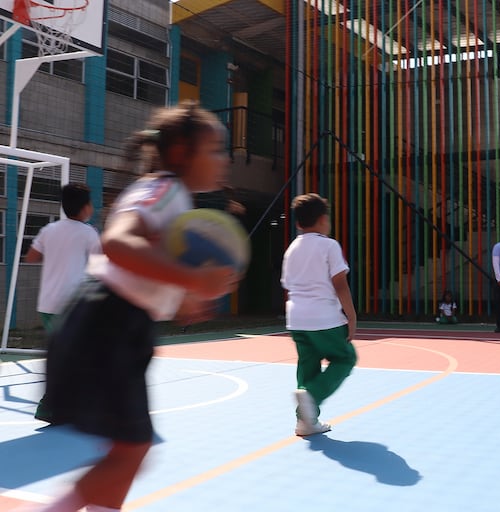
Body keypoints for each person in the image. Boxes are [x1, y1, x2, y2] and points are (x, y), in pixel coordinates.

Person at [39, 102, 240, 512]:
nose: (224, 160)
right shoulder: (163, 191)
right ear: (182, 151)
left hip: (119, 325)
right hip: (107, 322)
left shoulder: (177, 203)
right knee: (131, 449)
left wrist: (184, 301)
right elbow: (117, 242)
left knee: (128, 451)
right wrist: (194, 280)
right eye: (216, 150)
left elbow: (146, 265)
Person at [24, 184, 102, 423]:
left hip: (48, 304)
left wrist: (57, 254)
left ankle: (62, 405)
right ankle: (51, 406)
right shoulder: (89, 233)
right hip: (72, 305)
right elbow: (101, 266)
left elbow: (31, 257)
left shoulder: (50, 229)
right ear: (86, 207)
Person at [281, 193, 357, 436]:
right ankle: (312, 399)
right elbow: (340, 283)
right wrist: (352, 316)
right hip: (324, 317)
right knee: (346, 358)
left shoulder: (291, 249)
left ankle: (305, 422)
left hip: (296, 319)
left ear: (297, 223)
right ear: (324, 220)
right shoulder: (329, 245)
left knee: (308, 366)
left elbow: (288, 284)